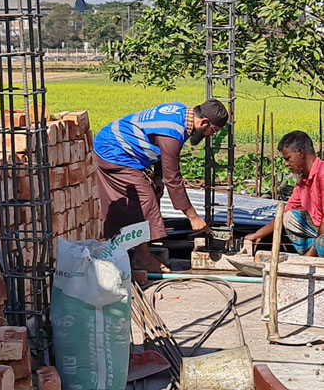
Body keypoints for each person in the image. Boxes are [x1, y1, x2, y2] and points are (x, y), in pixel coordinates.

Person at [92, 99, 228, 272]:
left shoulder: (180, 112)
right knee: (145, 201)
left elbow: (157, 143)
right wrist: (193, 217)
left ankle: (122, 248)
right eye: (213, 131)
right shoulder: (172, 134)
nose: (210, 136)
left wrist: (157, 177)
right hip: (114, 151)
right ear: (204, 122)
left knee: (147, 196)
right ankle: (142, 259)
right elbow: (173, 179)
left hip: (118, 146)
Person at [245, 131, 324, 257]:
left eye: (288, 159)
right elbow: (286, 211)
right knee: (289, 217)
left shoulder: (322, 175)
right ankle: (314, 256)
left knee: (321, 243)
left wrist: (311, 253)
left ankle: (313, 256)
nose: (286, 164)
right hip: (318, 229)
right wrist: (258, 235)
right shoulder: (302, 180)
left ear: (300, 153)